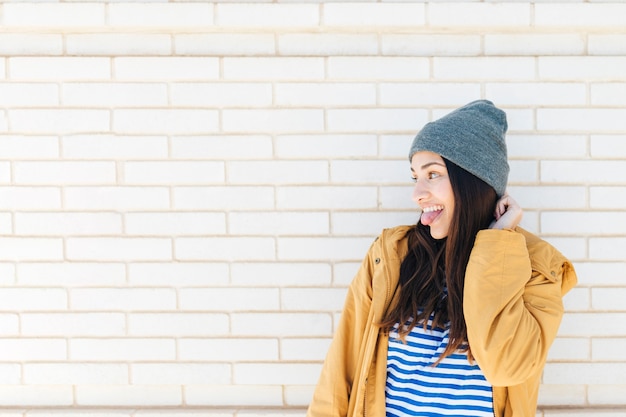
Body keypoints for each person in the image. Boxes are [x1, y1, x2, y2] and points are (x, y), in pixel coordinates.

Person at [307, 100, 577, 417]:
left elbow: (507, 367)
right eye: (415, 177)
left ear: (473, 181)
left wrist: (497, 244)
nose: (417, 193)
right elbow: (342, 370)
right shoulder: (392, 256)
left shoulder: (537, 268)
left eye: (433, 174)